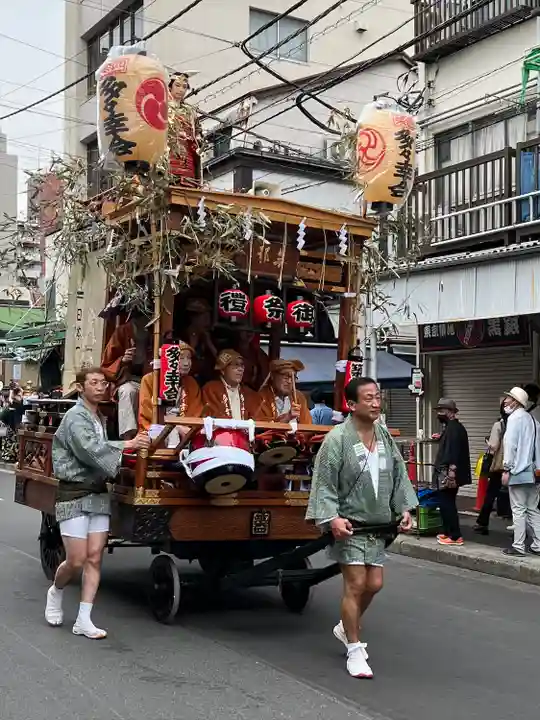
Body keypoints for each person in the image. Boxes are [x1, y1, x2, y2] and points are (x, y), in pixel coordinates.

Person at [306, 377, 417, 679]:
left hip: (378, 523)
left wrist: (404, 508)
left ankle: (345, 626)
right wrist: (332, 518)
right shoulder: (337, 439)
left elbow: (397, 473)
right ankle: (354, 649)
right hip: (350, 523)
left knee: (375, 584)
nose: (376, 402)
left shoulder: (383, 434)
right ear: (352, 405)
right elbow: (325, 481)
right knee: (355, 584)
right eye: (368, 398)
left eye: (377, 397)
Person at [44, 367, 150, 638]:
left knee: (94, 558)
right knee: (76, 559)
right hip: (74, 493)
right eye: (94, 383)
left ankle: (84, 619)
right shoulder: (75, 417)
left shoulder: (98, 417)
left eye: (103, 383)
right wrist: (128, 445)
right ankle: (56, 591)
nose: (100, 387)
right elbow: (89, 450)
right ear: (81, 387)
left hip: (99, 493)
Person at [500, 386, 540, 557]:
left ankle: (518, 546)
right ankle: (538, 545)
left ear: (516, 402)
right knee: (533, 509)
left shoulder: (514, 419)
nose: (505, 402)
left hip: (518, 471)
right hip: (534, 471)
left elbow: (510, 446)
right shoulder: (533, 420)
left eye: (508, 399)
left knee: (518, 509)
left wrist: (506, 468)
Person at [101, 310, 151, 439]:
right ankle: (128, 438)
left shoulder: (155, 333)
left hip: (150, 380)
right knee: (127, 391)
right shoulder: (122, 332)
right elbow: (106, 365)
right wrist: (122, 360)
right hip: (128, 380)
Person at [138, 340, 203, 433]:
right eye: (181, 357)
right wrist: (174, 427)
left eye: (189, 358)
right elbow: (147, 414)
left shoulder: (191, 383)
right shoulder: (149, 380)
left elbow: (195, 413)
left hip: (184, 430)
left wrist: (185, 428)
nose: (186, 363)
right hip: (158, 429)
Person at [433, 398, 471, 547]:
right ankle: (448, 532)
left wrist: (451, 472)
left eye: (441, 411)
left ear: (450, 412)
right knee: (446, 502)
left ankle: (455, 536)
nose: (439, 414)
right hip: (449, 471)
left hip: (449, 472)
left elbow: (453, 451)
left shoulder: (453, 429)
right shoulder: (453, 427)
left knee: (447, 502)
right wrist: (440, 437)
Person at [473, 400, 507, 535]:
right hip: (515, 465)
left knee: (490, 494)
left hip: (499, 466)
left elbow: (493, 447)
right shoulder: (520, 423)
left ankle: (482, 523)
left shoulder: (499, 424)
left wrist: (488, 441)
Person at [202, 349, 259, 420]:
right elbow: (213, 416)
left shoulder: (249, 393)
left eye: (242, 365)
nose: (240, 369)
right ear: (223, 370)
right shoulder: (211, 389)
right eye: (235, 365)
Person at [168, 72, 202, 185]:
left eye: (184, 87)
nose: (181, 90)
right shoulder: (161, 107)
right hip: (169, 154)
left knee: (188, 186)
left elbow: (198, 131)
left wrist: (198, 140)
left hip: (188, 155)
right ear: (169, 87)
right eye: (177, 85)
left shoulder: (190, 111)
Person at [257, 359, 311, 423]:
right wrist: (287, 417)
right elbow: (261, 426)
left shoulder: (299, 397)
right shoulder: (261, 397)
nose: (289, 381)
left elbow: (307, 425)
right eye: (286, 377)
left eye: (293, 378)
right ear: (272, 376)